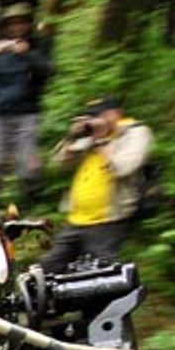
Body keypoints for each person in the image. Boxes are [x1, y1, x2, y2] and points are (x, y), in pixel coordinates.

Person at [39, 97, 154, 272]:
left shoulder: (135, 133)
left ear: (116, 114)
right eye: (92, 117)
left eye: (100, 115)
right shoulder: (90, 134)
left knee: (102, 273)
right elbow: (59, 163)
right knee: (48, 267)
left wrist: (101, 140)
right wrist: (72, 136)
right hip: (76, 219)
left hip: (107, 220)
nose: (95, 121)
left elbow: (123, 168)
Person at [0, 3, 51, 209]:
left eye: (22, 22)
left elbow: (46, 72)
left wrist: (26, 54)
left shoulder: (38, 45)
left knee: (28, 166)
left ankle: (35, 203)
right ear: (5, 26)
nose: (17, 27)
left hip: (27, 112)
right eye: (12, 23)